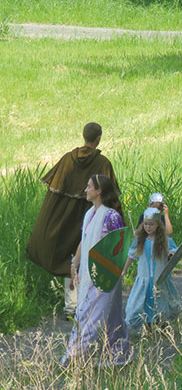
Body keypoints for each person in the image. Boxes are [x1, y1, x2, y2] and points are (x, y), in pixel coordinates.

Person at [26, 122, 119, 318]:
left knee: (73, 255)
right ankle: (79, 306)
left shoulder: (68, 159)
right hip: (90, 214)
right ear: (98, 138)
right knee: (83, 255)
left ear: (83, 135)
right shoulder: (103, 163)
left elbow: (52, 195)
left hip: (67, 217)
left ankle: (74, 306)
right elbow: (111, 196)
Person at [61, 174, 132, 366]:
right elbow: (85, 241)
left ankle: (76, 356)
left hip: (105, 274)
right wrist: (74, 264)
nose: (85, 190)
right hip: (88, 272)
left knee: (92, 313)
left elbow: (119, 244)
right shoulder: (89, 214)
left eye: (89, 187)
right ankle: (116, 352)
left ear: (98, 191)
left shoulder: (111, 216)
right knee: (105, 314)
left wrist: (117, 271)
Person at [123, 207, 181, 332]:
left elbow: (175, 251)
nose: (148, 227)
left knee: (161, 300)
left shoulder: (165, 240)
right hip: (144, 278)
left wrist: (171, 255)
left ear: (158, 225)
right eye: (146, 224)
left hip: (159, 277)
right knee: (143, 302)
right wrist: (124, 270)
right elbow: (131, 255)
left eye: (151, 224)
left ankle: (162, 324)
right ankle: (148, 326)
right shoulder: (140, 240)